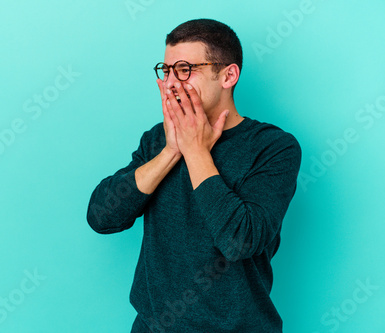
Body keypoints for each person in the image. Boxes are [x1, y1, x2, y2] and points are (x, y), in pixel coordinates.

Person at [87, 18, 301, 332]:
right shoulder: (157, 140)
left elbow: (240, 241)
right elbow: (101, 217)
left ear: (228, 75)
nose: (172, 82)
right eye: (167, 70)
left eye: (186, 70)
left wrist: (195, 150)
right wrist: (172, 151)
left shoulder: (273, 148)